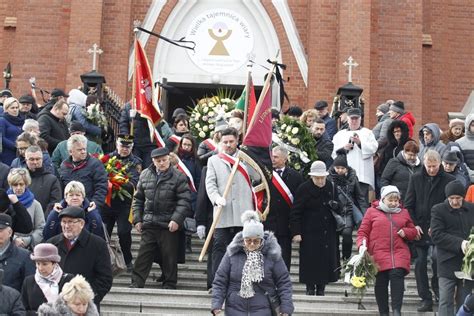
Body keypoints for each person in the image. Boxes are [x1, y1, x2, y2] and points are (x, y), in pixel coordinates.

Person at [211, 210, 294, 316]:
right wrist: (216, 304)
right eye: (248, 240)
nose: (252, 244)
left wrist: (286, 308)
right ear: (242, 239)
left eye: (256, 241)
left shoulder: (272, 254)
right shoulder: (232, 254)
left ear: (262, 239)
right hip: (234, 310)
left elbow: (284, 283)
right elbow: (220, 281)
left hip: (263, 310)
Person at [131, 147, 191, 289]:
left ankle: (169, 283)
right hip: (149, 223)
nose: (162, 163)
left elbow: (184, 201)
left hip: (168, 224)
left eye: (164, 160)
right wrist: (137, 219)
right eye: (159, 161)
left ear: (169, 159)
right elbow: (138, 199)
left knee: (169, 256)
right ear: (153, 161)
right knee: (143, 256)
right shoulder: (145, 174)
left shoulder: (179, 176)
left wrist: (176, 219)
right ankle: (136, 283)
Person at [404, 149, 456, 312]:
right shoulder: (416, 178)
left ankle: (438, 291)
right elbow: (408, 204)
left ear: (440, 164)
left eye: (434, 166)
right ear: (424, 164)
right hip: (419, 228)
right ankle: (425, 297)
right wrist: (414, 225)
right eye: (428, 166)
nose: (432, 169)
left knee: (436, 259)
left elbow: (450, 207)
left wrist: (440, 225)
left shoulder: (449, 180)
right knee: (419, 263)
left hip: (439, 230)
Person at [356, 185, 418, 316]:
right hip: (378, 253)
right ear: (383, 199)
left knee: (397, 276)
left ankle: (396, 311)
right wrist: (362, 245)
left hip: (399, 253)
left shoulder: (404, 212)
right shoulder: (371, 212)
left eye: (396, 200)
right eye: (391, 200)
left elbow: (413, 231)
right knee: (381, 282)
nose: (394, 203)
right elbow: (363, 232)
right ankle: (383, 312)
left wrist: (406, 232)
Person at [205, 127, 256, 281]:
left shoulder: (245, 158)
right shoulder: (213, 160)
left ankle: (241, 282)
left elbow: (257, 177)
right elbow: (210, 184)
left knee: (243, 249)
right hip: (223, 212)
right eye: (225, 142)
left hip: (243, 213)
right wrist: (215, 198)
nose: (228, 145)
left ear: (237, 141)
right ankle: (218, 283)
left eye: (231, 141)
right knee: (219, 249)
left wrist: (251, 160)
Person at [290, 160, 341, 296]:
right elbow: (296, 212)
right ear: (312, 177)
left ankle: (321, 288)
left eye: (322, 178)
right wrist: (296, 232)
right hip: (309, 232)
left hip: (327, 231)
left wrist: (336, 205)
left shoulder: (331, 186)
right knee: (310, 261)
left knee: (325, 261)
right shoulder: (304, 188)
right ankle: (310, 288)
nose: (320, 181)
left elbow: (339, 206)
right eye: (317, 178)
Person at [46, 206, 112, 307]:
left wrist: (87, 299)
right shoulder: (52, 244)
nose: (66, 226)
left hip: (85, 306)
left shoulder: (98, 245)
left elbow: (105, 279)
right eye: (64, 222)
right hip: (57, 305)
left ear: (82, 224)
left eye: (71, 222)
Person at [431, 180, 474, 315]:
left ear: (463, 197)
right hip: (446, 262)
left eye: (458, 198)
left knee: (464, 300)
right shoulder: (438, 210)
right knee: (445, 300)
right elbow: (437, 235)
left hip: (466, 264)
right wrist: (460, 243)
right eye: (451, 199)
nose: (455, 202)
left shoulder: (471, 209)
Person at [101, 134, 141, 271]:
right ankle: (104, 260)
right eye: (122, 146)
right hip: (107, 203)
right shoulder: (107, 159)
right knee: (103, 232)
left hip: (125, 204)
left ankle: (127, 259)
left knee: (124, 232)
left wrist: (117, 181)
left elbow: (134, 182)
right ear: (117, 145)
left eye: (128, 147)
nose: (124, 149)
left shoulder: (136, 162)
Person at [266, 146, 304, 270]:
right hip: (268, 224)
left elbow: (299, 203)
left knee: (284, 258)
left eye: (276, 157)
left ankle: (283, 285)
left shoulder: (296, 177)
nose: (273, 159)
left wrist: (296, 229)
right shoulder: (265, 174)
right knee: (268, 257)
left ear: (285, 158)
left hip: (285, 225)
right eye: (272, 156)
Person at [332, 107, 378, 201]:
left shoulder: (368, 133)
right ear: (348, 119)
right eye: (352, 118)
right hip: (344, 175)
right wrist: (344, 148)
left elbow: (374, 149)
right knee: (346, 201)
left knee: (362, 201)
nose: (354, 121)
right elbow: (333, 153)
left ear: (360, 119)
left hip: (363, 176)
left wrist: (360, 143)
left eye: (356, 118)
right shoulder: (339, 135)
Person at [328, 154, 368, 261]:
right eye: (338, 168)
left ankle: (346, 258)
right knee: (334, 240)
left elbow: (360, 197)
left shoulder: (353, 178)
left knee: (347, 237)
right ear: (334, 167)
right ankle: (335, 262)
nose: (340, 170)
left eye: (342, 168)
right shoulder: (328, 178)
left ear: (346, 168)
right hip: (333, 213)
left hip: (347, 211)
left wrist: (365, 215)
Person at [21, 243, 74, 314]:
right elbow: (23, 309)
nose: (40, 268)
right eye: (38, 263)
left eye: (44, 264)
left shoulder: (68, 280)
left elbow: (75, 308)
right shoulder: (29, 281)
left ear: (54, 264)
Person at [59, 134, 108, 210]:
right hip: (69, 209)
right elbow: (62, 188)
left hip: (89, 207)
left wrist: (96, 203)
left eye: (84, 149)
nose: (83, 152)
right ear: (70, 152)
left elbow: (101, 186)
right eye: (79, 150)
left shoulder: (95, 164)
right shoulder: (64, 166)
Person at [119, 102, 173, 168]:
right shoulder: (129, 105)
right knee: (134, 168)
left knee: (149, 169)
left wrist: (137, 114)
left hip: (150, 144)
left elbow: (157, 119)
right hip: (135, 145)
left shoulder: (155, 103)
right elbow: (123, 124)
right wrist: (127, 139)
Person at [7, 168, 44, 250]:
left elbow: (40, 228)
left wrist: (27, 240)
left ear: (26, 184)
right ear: (11, 185)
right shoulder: (5, 203)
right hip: (7, 246)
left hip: (28, 248)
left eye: (21, 184)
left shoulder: (35, 204)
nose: (18, 188)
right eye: (15, 185)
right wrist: (14, 239)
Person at [0, 213, 35, 291]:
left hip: (13, 301)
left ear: (10, 232)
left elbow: (29, 289)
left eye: (0, 230)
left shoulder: (24, 256)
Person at [25, 146, 62, 214]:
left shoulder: (52, 180)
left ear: (42, 159)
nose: (35, 162)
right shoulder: (21, 178)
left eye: (38, 159)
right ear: (26, 160)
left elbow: (55, 203)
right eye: (31, 159)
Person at [0, 97, 25, 165]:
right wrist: (16, 146)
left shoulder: (22, 120)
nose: (15, 110)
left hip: (21, 153)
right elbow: (2, 138)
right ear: (6, 109)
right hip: (7, 153)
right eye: (12, 108)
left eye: (17, 107)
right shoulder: (2, 120)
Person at [457, 113, 474, 183]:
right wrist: (471, 175)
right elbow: (460, 162)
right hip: (466, 180)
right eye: (473, 125)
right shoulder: (459, 143)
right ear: (468, 126)